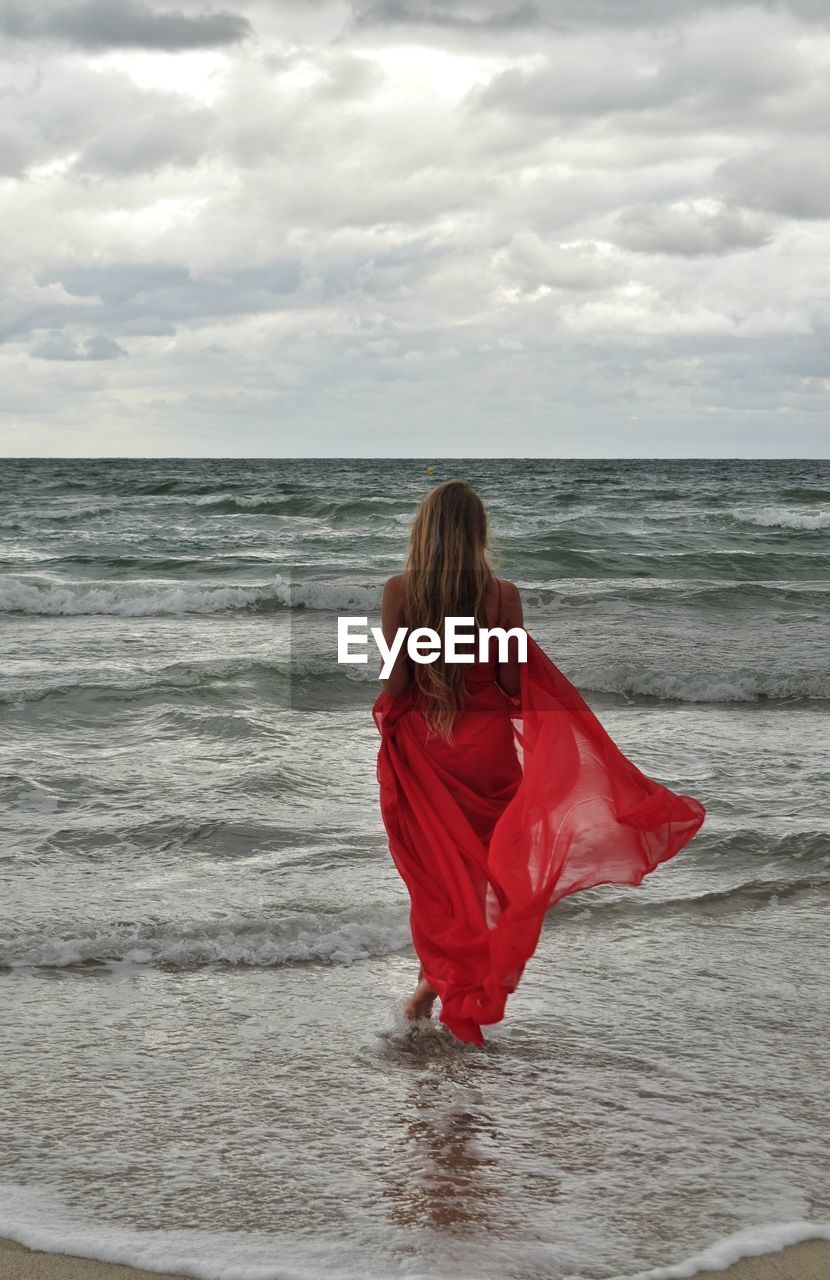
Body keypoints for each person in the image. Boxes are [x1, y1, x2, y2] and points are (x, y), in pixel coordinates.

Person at [372, 479, 706, 1045]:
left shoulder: (400, 591)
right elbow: (509, 682)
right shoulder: (502, 596)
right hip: (489, 755)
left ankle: (435, 988)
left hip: (428, 753)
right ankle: (438, 989)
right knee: (491, 877)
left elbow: (397, 682)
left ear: (423, 532)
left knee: (437, 883)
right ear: (479, 534)